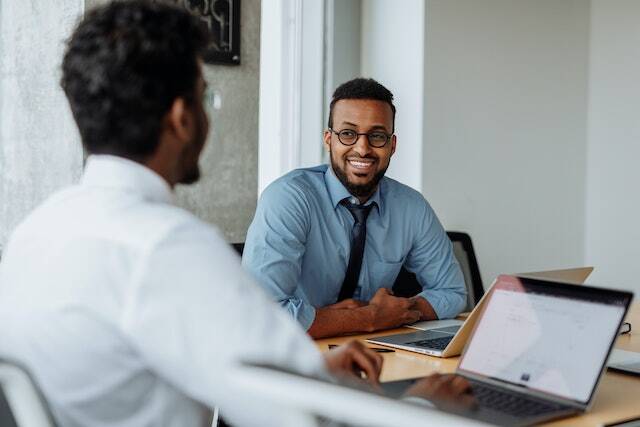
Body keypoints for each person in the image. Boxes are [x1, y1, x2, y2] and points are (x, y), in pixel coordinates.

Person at [0, 2, 382, 426]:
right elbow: (304, 418)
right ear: (182, 119)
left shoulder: (33, 232)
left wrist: (310, 376)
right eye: (205, 96)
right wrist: (423, 405)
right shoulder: (166, 246)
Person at [242, 78, 467, 338]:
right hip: (298, 355)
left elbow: (452, 292)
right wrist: (366, 318)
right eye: (348, 133)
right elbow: (261, 315)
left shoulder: (411, 207)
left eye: (377, 136)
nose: (362, 148)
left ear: (392, 145)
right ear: (329, 140)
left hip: (376, 353)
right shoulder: (289, 198)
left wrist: (395, 312)